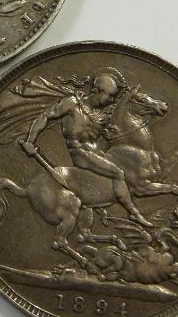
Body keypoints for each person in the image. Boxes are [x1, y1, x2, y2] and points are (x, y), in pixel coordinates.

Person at [21, 69, 153, 226]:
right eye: (110, 96)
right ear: (97, 91)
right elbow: (45, 116)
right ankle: (134, 213)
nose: (111, 100)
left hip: (97, 152)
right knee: (118, 173)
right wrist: (30, 140)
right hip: (80, 153)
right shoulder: (72, 103)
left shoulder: (99, 113)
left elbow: (103, 136)